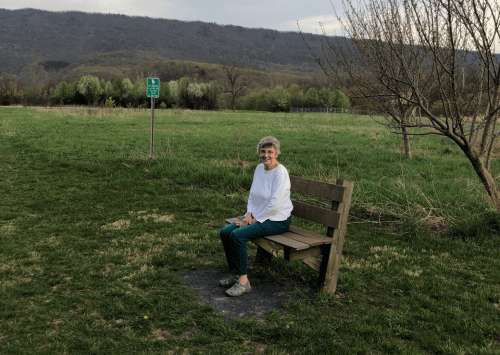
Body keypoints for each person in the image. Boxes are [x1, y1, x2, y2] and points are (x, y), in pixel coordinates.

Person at [219, 136, 293, 297]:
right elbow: (253, 195)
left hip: (277, 220)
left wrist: (254, 220)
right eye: (263, 151)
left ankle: (244, 283)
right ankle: (236, 274)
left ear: (277, 154)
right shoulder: (260, 168)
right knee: (225, 232)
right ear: (259, 153)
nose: (266, 155)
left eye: (270, 152)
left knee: (237, 235)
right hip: (257, 216)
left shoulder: (280, 173)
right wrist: (248, 214)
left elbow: (275, 204)